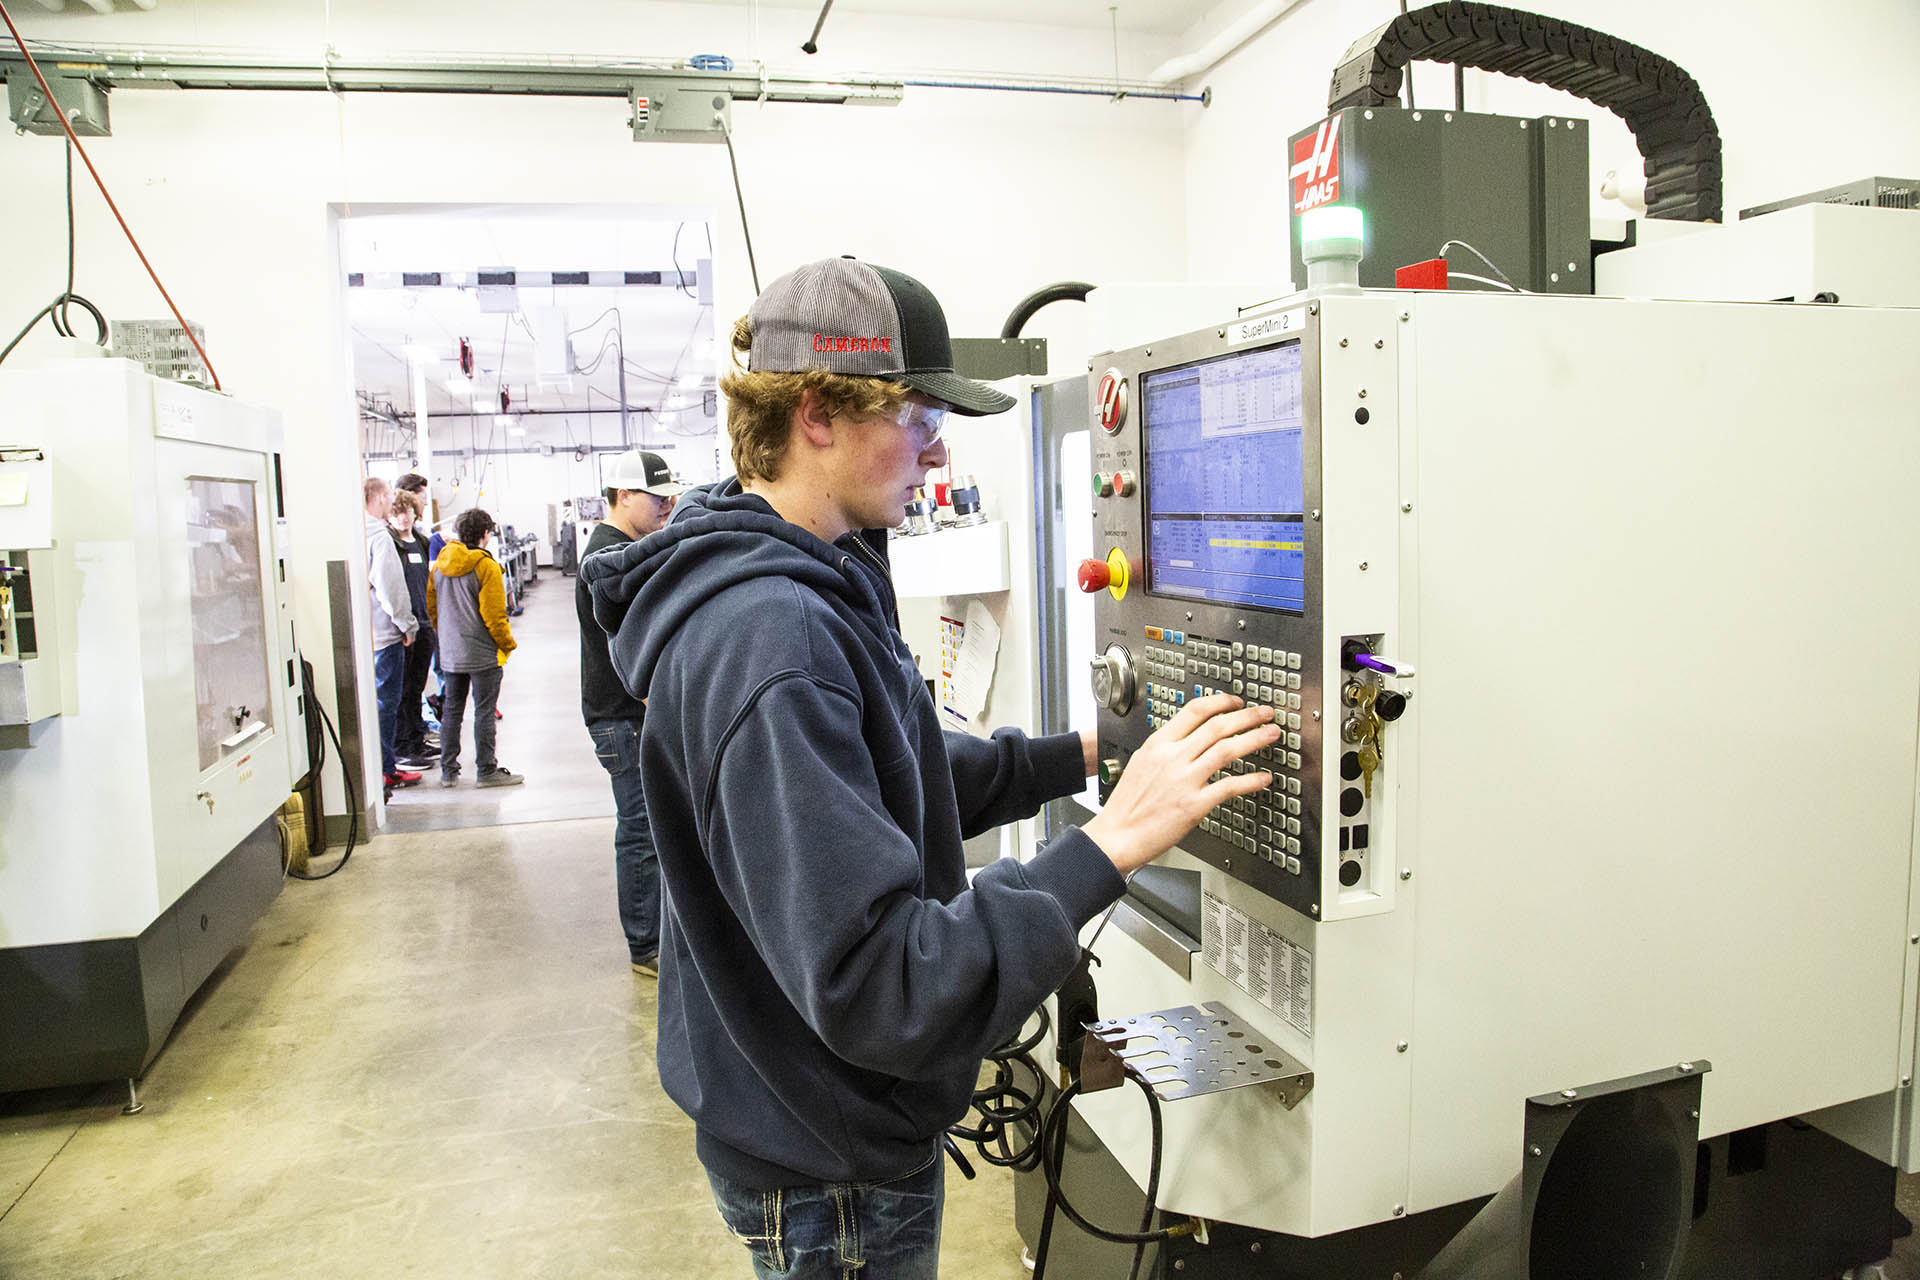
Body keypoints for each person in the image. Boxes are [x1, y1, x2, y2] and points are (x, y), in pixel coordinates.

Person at [582, 257, 1278, 1278]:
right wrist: (1113, 839)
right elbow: (885, 982)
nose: (938, 443)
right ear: (817, 411)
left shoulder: (806, 572)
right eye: (917, 412)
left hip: (803, 1112)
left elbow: (889, 774)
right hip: (830, 1166)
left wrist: (1086, 754)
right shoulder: (773, 634)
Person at [577, 450, 685, 978]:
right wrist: (653, 701)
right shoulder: (607, 557)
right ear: (623, 495)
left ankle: (655, 934)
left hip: (628, 714)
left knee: (649, 826)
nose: (667, 505)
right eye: (657, 497)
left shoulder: (624, 548)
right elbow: (621, 649)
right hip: (623, 717)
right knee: (641, 830)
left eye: (669, 496)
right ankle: (646, 945)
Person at [428, 507, 523, 788]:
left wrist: (445, 637)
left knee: (452, 710)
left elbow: (432, 608)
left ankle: (448, 772)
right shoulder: (486, 566)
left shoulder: (439, 565)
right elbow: (495, 616)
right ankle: (486, 771)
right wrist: (507, 644)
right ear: (485, 534)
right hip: (482, 653)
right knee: (484, 711)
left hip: (451, 651)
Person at [363, 476, 420, 791]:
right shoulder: (380, 538)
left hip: (368, 635)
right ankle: (386, 767)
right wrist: (407, 624)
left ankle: (383, 763)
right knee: (387, 702)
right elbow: (391, 587)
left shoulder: (354, 533)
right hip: (386, 635)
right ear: (381, 497)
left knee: (379, 703)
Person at [387, 489, 438, 771]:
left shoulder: (421, 541)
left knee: (417, 686)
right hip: (405, 628)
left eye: (407, 512)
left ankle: (417, 739)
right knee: (403, 688)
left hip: (425, 622)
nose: (403, 518)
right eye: (397, 513)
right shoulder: (390, 544)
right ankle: (402, 746)